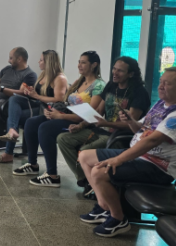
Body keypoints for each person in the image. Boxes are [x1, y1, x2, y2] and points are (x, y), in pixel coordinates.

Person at [78, 67, 176, 237]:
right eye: (161, 82)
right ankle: (104, 206)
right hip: (140, 156)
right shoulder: (161, 104)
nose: (161, 86)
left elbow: (152, 141)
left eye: (167, 83)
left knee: (99, 171)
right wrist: (131, 121)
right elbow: (140, 129)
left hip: (157, 167)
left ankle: (118, 219)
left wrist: (119, 159)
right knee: (84, 156)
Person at [58, 56, 149, 193]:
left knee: (85, 151)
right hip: (101, 130)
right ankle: (86, 180)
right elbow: (98, 111)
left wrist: (105, 123)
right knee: (63, 139)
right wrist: (81, 125)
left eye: (120, 71)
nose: (115, 73)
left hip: (119, 136)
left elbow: (132, 125)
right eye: (114, 69)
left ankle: (95, 184)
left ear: (131, 74)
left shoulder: (139, 92)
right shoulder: (111, 86)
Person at [12, 50, 70, 186]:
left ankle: (52, 174)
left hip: (60, 115)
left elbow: (59, 99)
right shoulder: (44, 75)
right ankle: (32, 164)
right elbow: (40, 95)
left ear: (49, 62)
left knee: (43, 128)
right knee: (30, 123)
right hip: (47, 112)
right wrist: (31, 92)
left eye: (41, 60)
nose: (39, 62)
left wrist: (37, 96)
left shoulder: (60, 78)